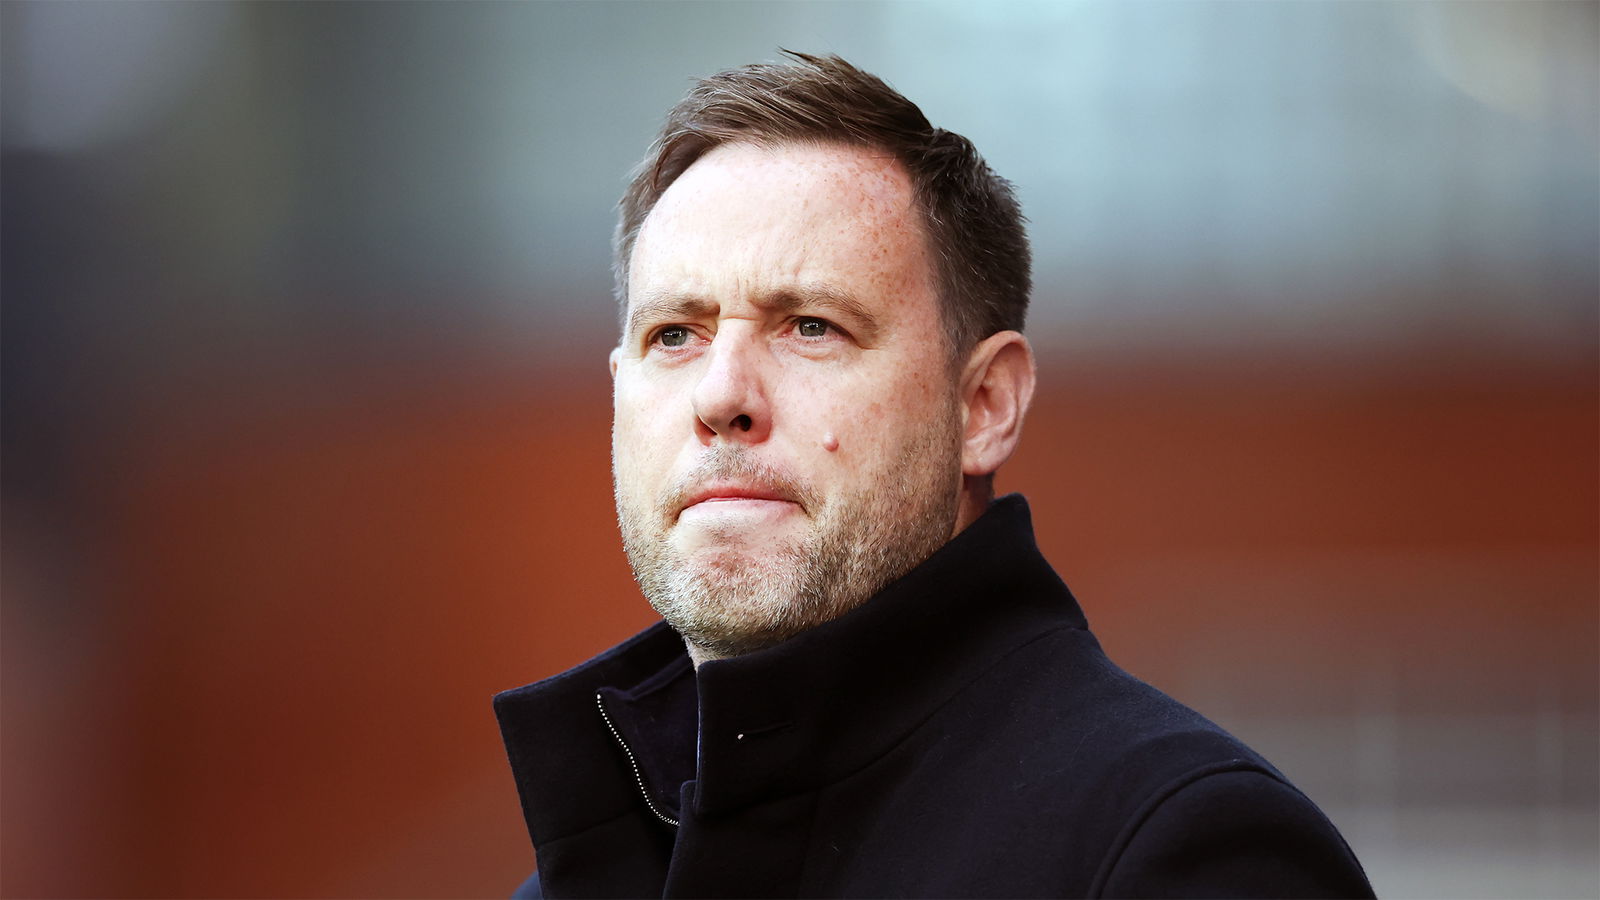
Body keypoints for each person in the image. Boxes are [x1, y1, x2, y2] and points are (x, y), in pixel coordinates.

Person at [494, 52, 1375, 898]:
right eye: (674, 336)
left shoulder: (1170, 850)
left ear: (984, 405)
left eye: (811, 326)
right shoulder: (582, 881)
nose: (721, 395)